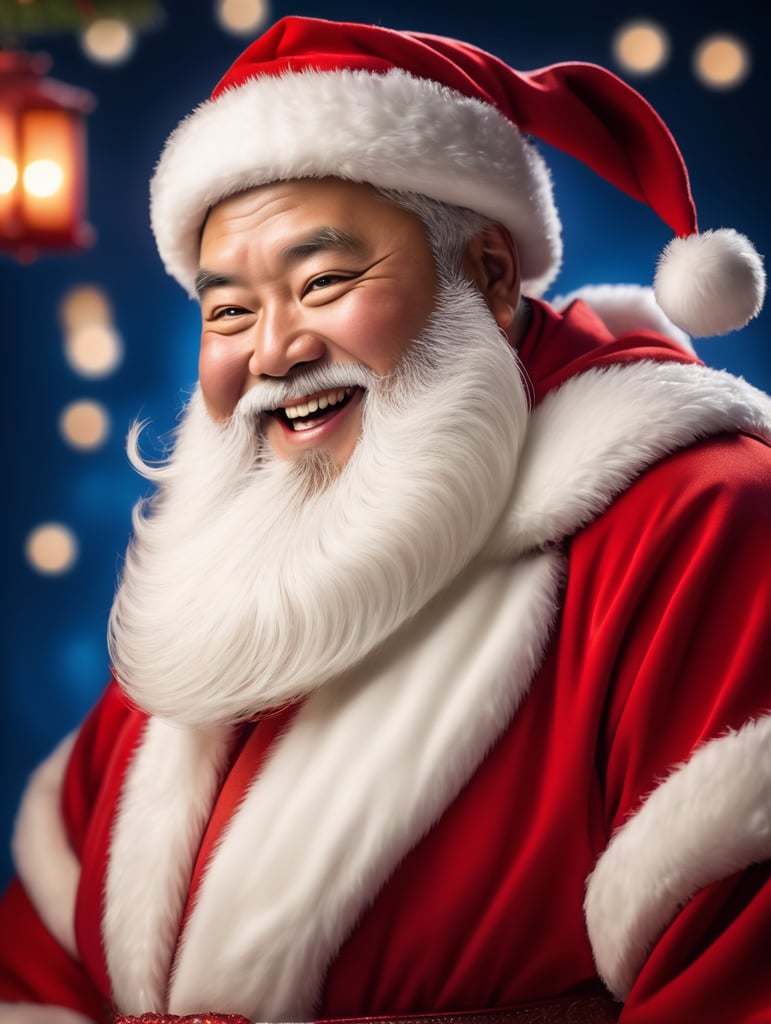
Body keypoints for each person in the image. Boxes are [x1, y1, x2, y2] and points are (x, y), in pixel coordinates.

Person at [1, 14, 770, 1024]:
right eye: (228, 309)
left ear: (491, 277)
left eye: (323, 282)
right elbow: (35, 966)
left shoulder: (702, 523)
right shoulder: (233, 560)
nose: (271, 353)